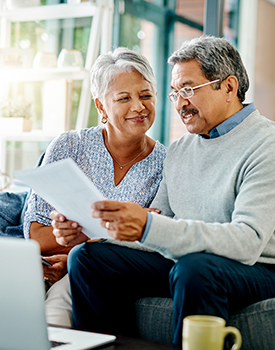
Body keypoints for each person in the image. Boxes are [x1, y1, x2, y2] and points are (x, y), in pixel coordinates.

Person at [55, 36, 275, 347]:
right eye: (175, 93)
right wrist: (99, 230)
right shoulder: (181, 149)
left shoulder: (268, 144)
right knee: (89, 258)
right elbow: (161, 221)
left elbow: (247, 243)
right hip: (193, 262)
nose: (180, 103)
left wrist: (149, 226)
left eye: (188, 90)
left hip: (265, 269)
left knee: (195, 269)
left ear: (228, 87)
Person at [23, 47, 167, 327]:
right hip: (43, 266)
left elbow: (151, 241)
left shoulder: (167, 163)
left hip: (103, 272)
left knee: (56, 313)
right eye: (124, 98)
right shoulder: (68, 147)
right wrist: (83, 243)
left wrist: (79, 251)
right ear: (101, 106)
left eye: (146, 95)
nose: (139, 106)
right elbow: (36, 236)